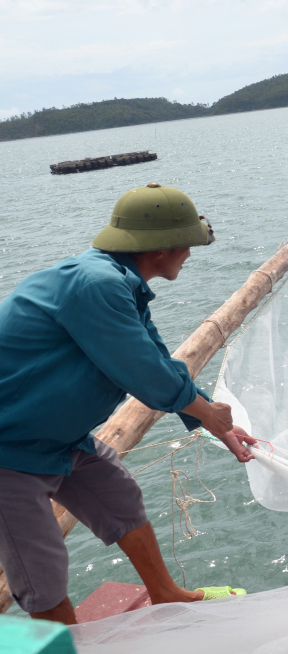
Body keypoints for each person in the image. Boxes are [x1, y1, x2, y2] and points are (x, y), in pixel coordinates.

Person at [0, 183, 256, 626]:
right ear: (162, 249)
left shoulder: (121, 284)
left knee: (119, 497)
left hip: (56, 439)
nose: (189, 256)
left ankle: (165, 594)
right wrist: (207, 414)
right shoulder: (95, 285)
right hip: (10, 450)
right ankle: (63, 644)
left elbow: (157, 360)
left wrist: (215, 421)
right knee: (40, 572)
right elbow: (147, 377)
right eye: (187, 246)